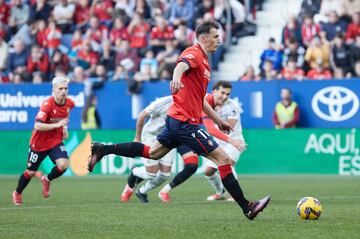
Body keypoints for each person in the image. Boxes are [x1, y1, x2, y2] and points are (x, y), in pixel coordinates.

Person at [88, 21, 270, 220]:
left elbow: (200, 99)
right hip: (185, 122)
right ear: (203, 38)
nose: (219, 40)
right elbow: (181, 65)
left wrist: (218, 120)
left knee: (153, 153)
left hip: (176, 120)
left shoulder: (206, 62)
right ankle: (247, 207)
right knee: (224, 160)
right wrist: (175, 79)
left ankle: (102, 149)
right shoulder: (194, 53)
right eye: (216, 36)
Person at [120, 96, 199, 203]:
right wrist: (137, 137)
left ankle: (141, 191)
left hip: (168, 138)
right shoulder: (164, 103)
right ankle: (134, 173)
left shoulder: (191, 104)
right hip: (151, 136)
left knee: (165, 174)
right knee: (151, 173)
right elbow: (142, 114)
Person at [12, 77, 75, 205]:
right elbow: (37, 126)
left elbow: (65, 116)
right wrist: (57, 125)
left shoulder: (70, 103)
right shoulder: (47, 105)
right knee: (30, 172)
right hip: (38, 144)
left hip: (55, 141)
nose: (64, 91)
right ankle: (17, 192)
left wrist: (64, 128)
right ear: (54, 90)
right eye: (60, 89)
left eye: (66, 89)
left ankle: (47, 179)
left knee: (63, 165)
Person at [198, 82, 246, 201]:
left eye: (228, 94)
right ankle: (220, 192)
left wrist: (232, 141)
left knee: (228, 163)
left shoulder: (232, 105)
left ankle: (234, 196)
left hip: (234, 141)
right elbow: (210, 129)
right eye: (222, 93)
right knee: (208, 172)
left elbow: (228, 129)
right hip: (219, 142)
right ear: (214, 91)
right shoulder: (206, 103)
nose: (225, 96)